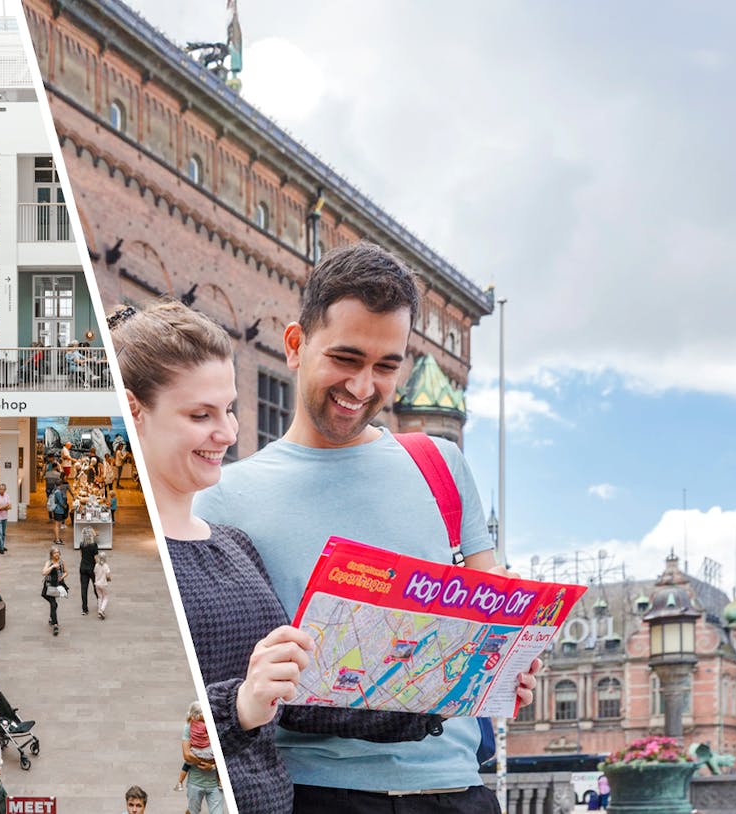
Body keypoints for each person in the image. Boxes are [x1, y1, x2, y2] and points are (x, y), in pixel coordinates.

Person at [188, 244, 540, 811]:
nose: (362, 387)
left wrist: (512, 660)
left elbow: (492, 601)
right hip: (316, 791)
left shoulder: (441, 465)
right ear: (296, 344)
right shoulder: (220, 497)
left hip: (455, 791)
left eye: (386, 366)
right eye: (346, 359)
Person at [111, 299, 454, 813]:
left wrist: (441, 689)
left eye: (228, 409)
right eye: (200, 415)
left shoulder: (233, 543)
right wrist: (240, 706)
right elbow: (136, 712)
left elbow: (301, 700)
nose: (226, 433)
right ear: (135, 410)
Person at [181, 715, 222, 814]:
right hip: (195, 783)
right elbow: (187, 757)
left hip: (215, 785)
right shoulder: (190, 726)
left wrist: (212, 766)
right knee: (193, 811)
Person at [41, 547, 67, 635]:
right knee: (53, 603)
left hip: (55, 587)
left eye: (58, 552)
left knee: (53, 604)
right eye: (55, 553)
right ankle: (53, 621)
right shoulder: (49, 562)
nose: (57, 554)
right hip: (48, 586)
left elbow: (66, 572)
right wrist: (52, 566)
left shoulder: (62, 562)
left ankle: (55, 624)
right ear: (51, 554)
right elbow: (44, 572)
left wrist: (62, 577)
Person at [77, 526, 99, 616]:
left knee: (84, 588)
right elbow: (96, 559)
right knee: (96, 586)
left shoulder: (82, 544)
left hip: (83, 567)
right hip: (92, 568)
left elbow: (81, 555)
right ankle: (100, 602)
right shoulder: (94, 545)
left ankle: (84, 609)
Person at [93, 553, 111, 620]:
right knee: (106, 597)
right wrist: (109, 579)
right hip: (103, 584)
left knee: (100, 597)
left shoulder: (96, 565)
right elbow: (108, 575)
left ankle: (99, 612)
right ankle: (102, 610)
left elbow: (94, 572)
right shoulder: (106, 566)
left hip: (97, 584)